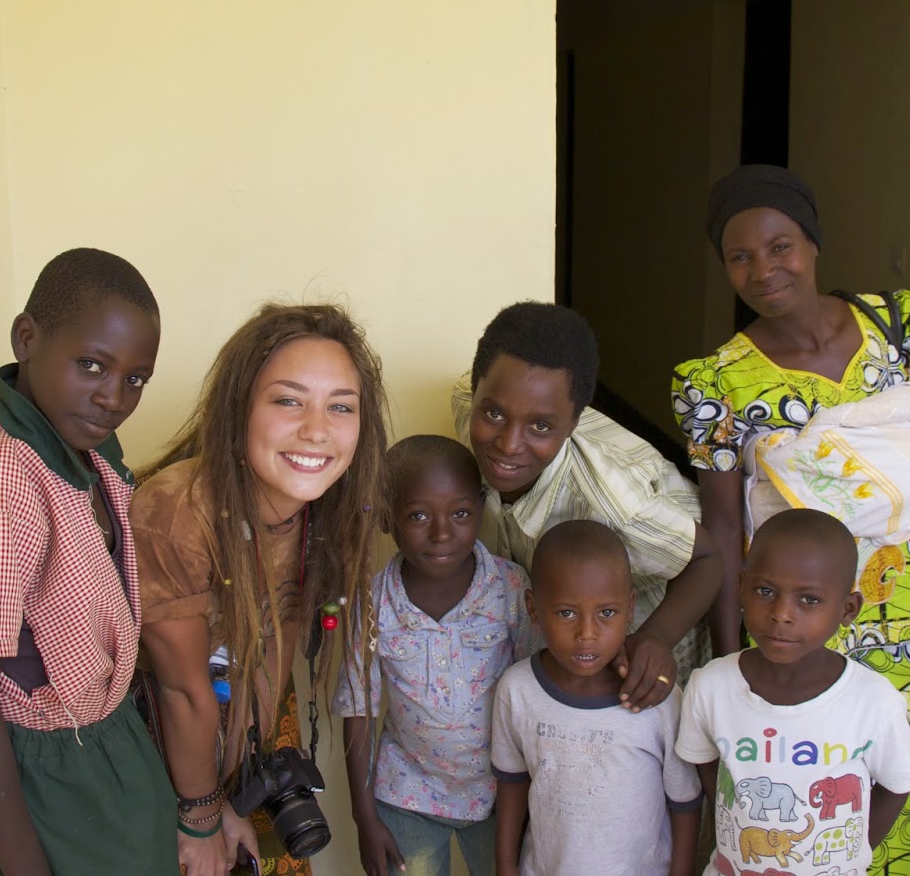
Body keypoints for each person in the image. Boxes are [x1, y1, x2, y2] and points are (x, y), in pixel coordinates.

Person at [670, 163, 910, 876]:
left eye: (780, 245)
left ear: (813, 242)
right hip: (793, 617)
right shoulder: (714, 384)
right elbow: (725, 531)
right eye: (739, 256)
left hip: (905, 606)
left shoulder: (897, 325)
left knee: (903, 769)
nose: (763, 269)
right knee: (804, 786)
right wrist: (735, 652)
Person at [0, 248, 175, 876]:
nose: (113, 397)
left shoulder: (87, 455)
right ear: (28, 338)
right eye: (91, 365)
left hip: (98, 753)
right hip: (42, 778)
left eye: (135, 378)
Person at [131, 303, 390, 876]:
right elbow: (180, 690)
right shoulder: (177, 512)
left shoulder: (322, 515)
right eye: (288, 400)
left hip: (225, 729)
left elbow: (271, 655)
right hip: (136, 732)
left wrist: (232, 791)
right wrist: (199, 816)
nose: (316, 430)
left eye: (340, 407)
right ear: (240, 408)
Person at [451, 302, 719, 713]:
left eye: (540, 426)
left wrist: (655, 638)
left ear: (575, 423)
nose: (508, 444)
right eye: (494, 413)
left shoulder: (613, 504)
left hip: (650, 649)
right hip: (567, 639)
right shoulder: (465, 403)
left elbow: (709, 558)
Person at [677, 509, 910, 876]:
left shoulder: (873, 700)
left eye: (808, 600)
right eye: (765, 591)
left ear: (847, 609)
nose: (781, 614)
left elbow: (897, 785)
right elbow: (708, 767)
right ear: (742, 587)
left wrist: (857, 851)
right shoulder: (710, 687)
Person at [333, 435, 534, 876]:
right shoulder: (370, 604)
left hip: (503, 794)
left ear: (482, 508)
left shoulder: (510, 588)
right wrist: (364, 819)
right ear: (387, 517)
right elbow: (358, 710)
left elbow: (538, 690)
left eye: (460, 513)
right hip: (408, 794)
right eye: (419, 515)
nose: (443, 533)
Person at [491, 520, 702, 876]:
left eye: (607, 613)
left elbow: (685, 804)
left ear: (630, 606)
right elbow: (511, 781)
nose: (587, 634)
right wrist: (506, 864)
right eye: (566, 613)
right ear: (533, 608)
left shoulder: (657, 699)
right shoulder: (518, 690)